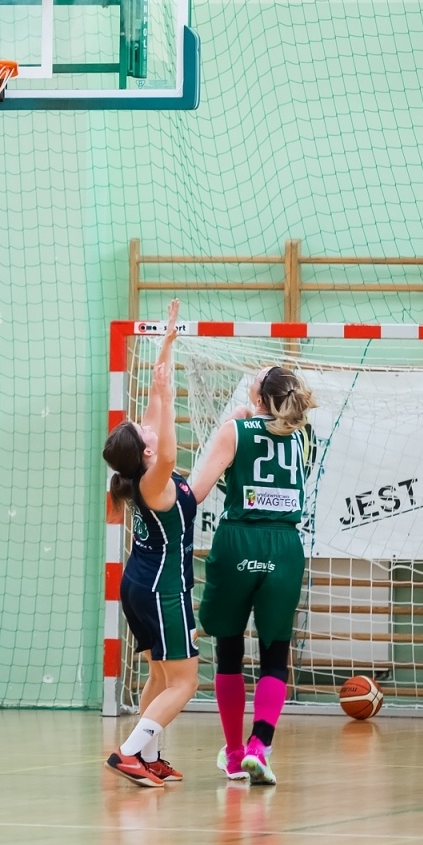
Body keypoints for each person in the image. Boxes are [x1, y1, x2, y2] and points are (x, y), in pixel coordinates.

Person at [188, 365, 316, 784]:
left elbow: (198, 492)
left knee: (229, 651)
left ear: (259, 398)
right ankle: (260, 746)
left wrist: (231, 424)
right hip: (284, 545)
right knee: (275, 652)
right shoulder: (305, 436)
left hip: (238, 541)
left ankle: (234, 754)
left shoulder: (234, 431)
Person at [101, 300, 200, 787]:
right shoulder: (154, 480)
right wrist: (168, 397)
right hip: (162, 589)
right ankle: (127, 753)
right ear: (144, 451)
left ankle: (150, 756)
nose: (149, 425)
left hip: (139, 584)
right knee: (184, 682)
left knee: (161, 678)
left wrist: (166, 347)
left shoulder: (136, 470)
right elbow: (169, 446)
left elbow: (153, 414)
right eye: (144, 432)